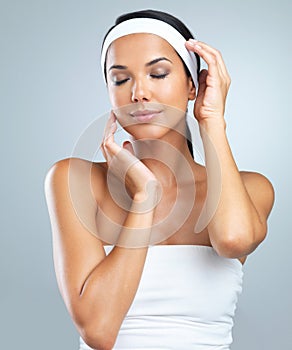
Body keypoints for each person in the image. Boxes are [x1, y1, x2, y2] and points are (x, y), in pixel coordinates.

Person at [44, 9, 275, 350]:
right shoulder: (74, 180)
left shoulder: (252, 189)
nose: (139, 92)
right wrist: (144, 200)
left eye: (158, 73)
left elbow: (233, 240)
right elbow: (98, 331)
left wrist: (212, 120)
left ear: (193, 85)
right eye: (121, 79)